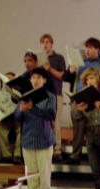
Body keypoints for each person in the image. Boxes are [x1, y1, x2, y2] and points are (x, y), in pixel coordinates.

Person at [63, 37, 100, 164]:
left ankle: (97, 155)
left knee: (96, 126)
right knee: (77, 123)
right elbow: (65, 78)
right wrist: (70, 71)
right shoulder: (79, 62)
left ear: (98, 49)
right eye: (86, 48)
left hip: (96, 97)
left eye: (90, 48)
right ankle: (75, 155)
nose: (87, 50)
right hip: (79, 96)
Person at [15, 68, 56, 189]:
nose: (36, 80)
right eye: (33, 78)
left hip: (44, 139)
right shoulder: (24, 95)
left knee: (44, 174)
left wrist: (32, 108)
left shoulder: (49, 96)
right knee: (31, 174)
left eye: (39, 77)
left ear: (44, 80)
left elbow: (50, 115)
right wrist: (20, 110)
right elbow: (17, 117)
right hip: (28, 139)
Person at [40, 34, 66, 162]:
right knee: (45, 122)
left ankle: (58, 150)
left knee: (56, 122)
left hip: (56, 93)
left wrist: (49, 68)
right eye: (43, 42)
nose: (45, 45)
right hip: (43, 94)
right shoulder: (40, 59)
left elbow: (61, 75)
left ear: (52, 43)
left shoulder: (59, 58)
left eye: (47, 42)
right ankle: (47, 148)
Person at [0, 72, 22, 163]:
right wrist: (0, 116)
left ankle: (17, 155)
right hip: (4, 120)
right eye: (7, 79)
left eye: (11, 79)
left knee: (22, 129)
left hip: (17, 119)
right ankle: (6, 155)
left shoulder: (20, 93)